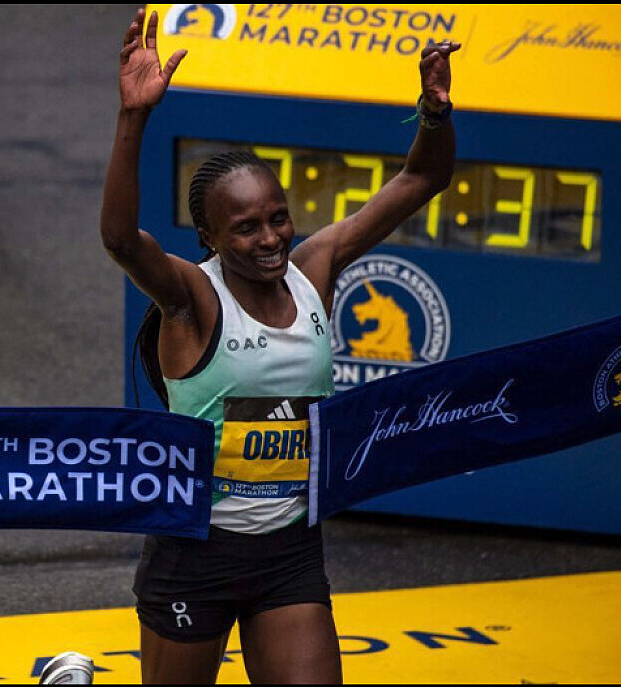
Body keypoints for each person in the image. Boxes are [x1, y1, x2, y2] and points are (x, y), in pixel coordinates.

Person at [101, 8, 459, 684]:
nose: (270, 239)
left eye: (278, 218)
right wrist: (133, 118)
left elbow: (422, 181)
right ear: (209, 239)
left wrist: (434, 113)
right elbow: (120, 240)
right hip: (195, 553)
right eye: (246, 228)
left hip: (288, 551)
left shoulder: (314, 269)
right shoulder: (192, 298)